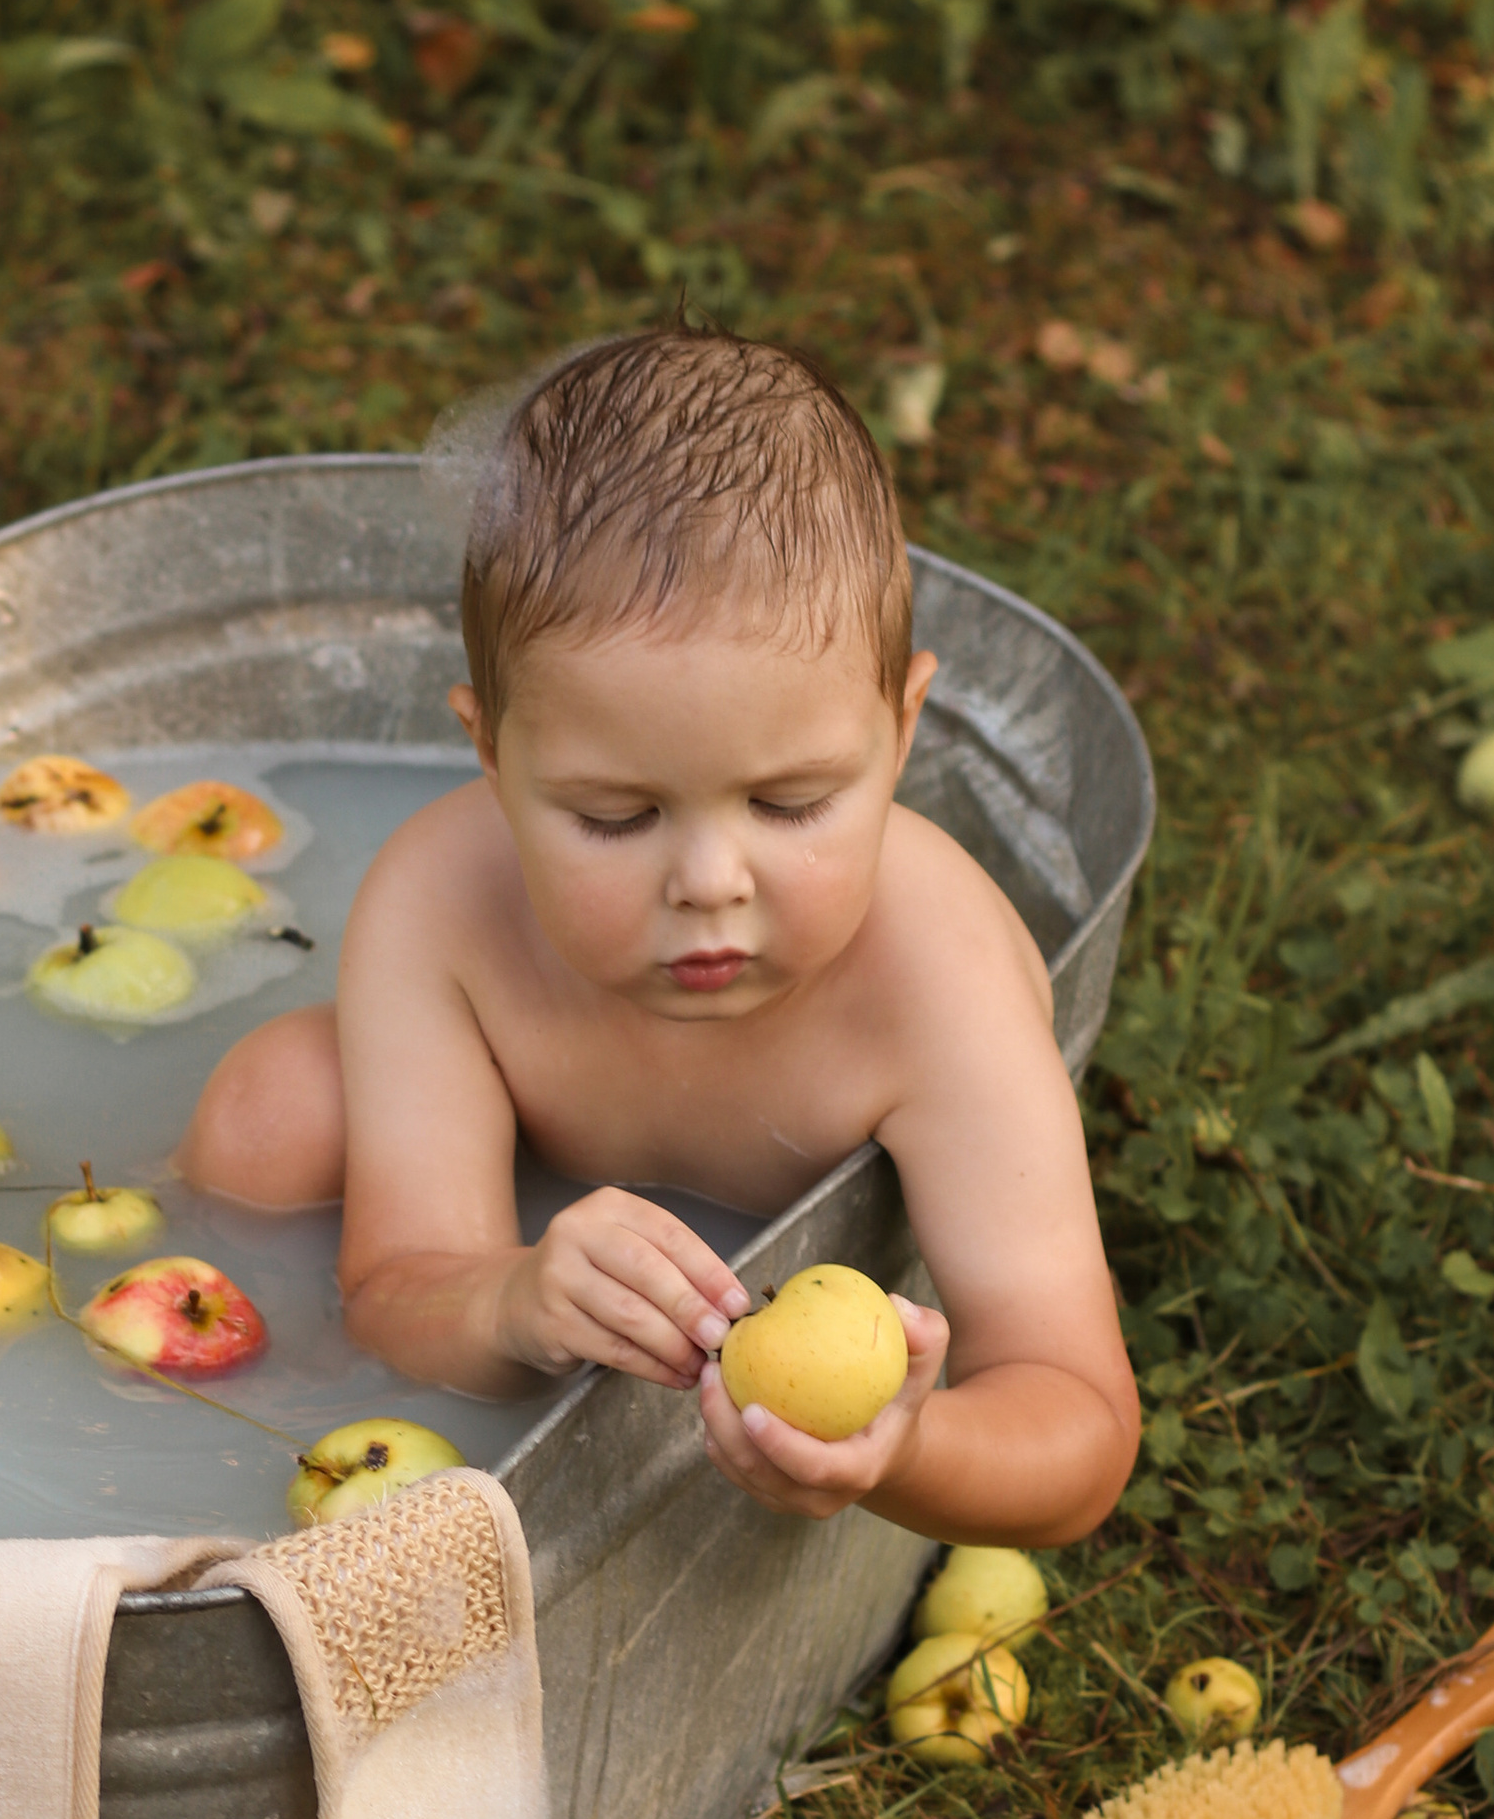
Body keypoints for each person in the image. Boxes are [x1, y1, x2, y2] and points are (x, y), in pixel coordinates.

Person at [178, 322, 1138, 1548]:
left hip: (805, 1298)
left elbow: (1078, 1420)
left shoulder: (927, 976)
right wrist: (508, 1300)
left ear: (902, 734)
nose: (707, 883)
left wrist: (904, 1448)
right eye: (613, 817)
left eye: (792, 805)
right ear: (491, 751)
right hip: (553, 1217)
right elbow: (398, 1285)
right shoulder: (443, 905)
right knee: (272, 1116)